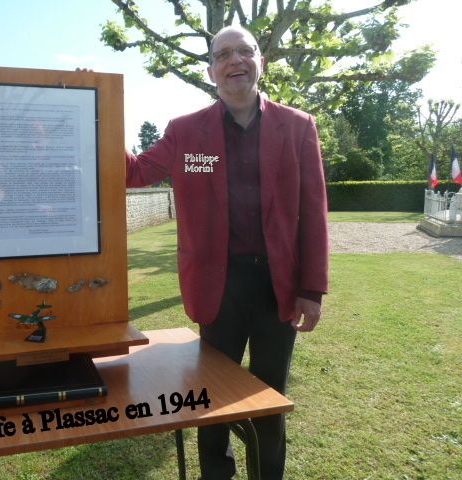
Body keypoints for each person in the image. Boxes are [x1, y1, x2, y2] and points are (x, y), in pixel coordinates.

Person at [125, 25, 329, 480]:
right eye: (224, 54)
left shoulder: (298, 126)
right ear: (211, 69)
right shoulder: (186, 134)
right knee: (208, 395)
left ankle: (266, 475)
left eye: (245, 51)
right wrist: (94, 106)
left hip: (279, 284)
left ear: (261, 61)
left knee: (270, 393)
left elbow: (313, 212)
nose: (235, 61)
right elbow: (134, 172)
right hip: (217, 285)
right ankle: (216, 474)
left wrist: (312, 288)